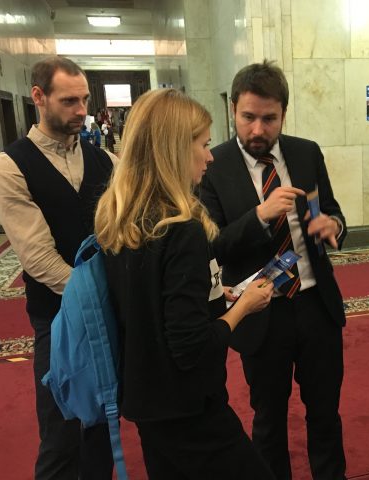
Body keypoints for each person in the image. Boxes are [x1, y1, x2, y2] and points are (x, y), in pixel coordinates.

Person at [96, 88, 275, 479]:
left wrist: (212, 296)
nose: (210, 156)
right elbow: (191, 348)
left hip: (145, 396)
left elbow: (149, 303)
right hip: (187, 405)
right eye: (203, 145)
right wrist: (243, 307)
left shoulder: (122, 217)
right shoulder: (181, 229)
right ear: (174, 149)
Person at [200, 60, 348, 480]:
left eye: (269, 119)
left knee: (326, 412)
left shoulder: (305, 153)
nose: (258, 129)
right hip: (260, 310)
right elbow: (213, 245)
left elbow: (330, 209)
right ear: (233, 109)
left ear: (284, 112)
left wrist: (333, 226)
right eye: (248, 117)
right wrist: (260, 216)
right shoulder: (213, 164)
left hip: (316, 305)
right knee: (269, 418)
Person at [0, 55, 116, 480]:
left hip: (106, 313)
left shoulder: (104, 160)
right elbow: (39, 259)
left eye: (85, 100)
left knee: (102, 426)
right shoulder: (10, 165)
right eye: (69, 101)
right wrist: (97, 299)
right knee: (61, 435)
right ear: (38, 97)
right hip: (56, 316)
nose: (82, 110)